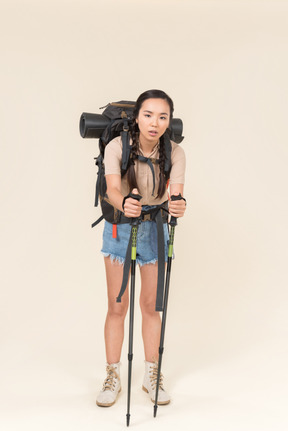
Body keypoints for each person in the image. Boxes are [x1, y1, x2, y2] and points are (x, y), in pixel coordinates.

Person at [96, 89, 186, 407]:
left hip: (156, 229)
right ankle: (112, 375)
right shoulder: (116, 147)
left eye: (162, 116)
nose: (155, 122)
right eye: (148, 115)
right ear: (137, 116)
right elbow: (111, 189)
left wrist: (178, 204)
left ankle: (152, 375)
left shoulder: (175, 152)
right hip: (119, 227)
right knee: (117, 305)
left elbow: (175, 193)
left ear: (169, 121)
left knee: (150, 306)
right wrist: (125, 203)